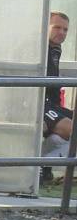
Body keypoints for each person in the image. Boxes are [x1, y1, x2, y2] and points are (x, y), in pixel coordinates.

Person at [42, 11, 73, 183]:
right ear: (45, 27)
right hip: (36, 104)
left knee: (63, 133)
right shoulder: (36, 48)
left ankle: (43, 165)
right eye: (57, 27)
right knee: (71, 129)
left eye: (66, 30)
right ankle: (39, 166)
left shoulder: (55, 49)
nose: (62, 32)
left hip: (51, 105)